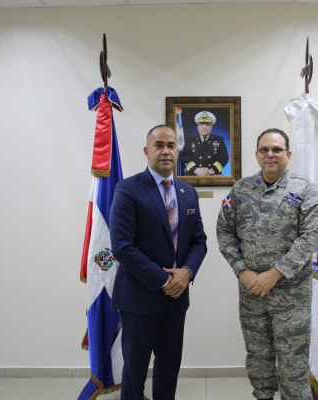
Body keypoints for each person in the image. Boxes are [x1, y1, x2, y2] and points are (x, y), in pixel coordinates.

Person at [216, 128, 318, 400]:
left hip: (291, 297)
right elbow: (224, 231)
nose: (270, 155)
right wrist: (242, 271)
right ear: (256, 155)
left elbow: (310, 237)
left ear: (288, 154)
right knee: (258, 359)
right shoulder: (241, 189)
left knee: (293, 364)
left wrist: (274, 275)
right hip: (252, 293)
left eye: (276, 150)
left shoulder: (305, 190)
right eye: (264, 150)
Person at [109, 125, 208, 400]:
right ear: (146, 151)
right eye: (159, 145)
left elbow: (199, 241)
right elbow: (123, 247)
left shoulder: (187, 192)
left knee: (168, 371)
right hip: (139, 299)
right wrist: (166, 280)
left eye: (171, 145)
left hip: (176, 301)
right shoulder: (127, 189)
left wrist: (186, 273)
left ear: (178, 150)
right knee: (135, 373)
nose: (166, 151)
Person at [180, 111, 229, 176]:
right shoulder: (189, 140)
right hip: (193, 175)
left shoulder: (219, 140)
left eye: (207, 124)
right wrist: (196, 170)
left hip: (213, 175)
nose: (204, 127)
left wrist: (212, 170)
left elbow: (224, 157)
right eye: (202, 124)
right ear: (198, 127)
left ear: (211, 127)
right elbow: (184, 157)